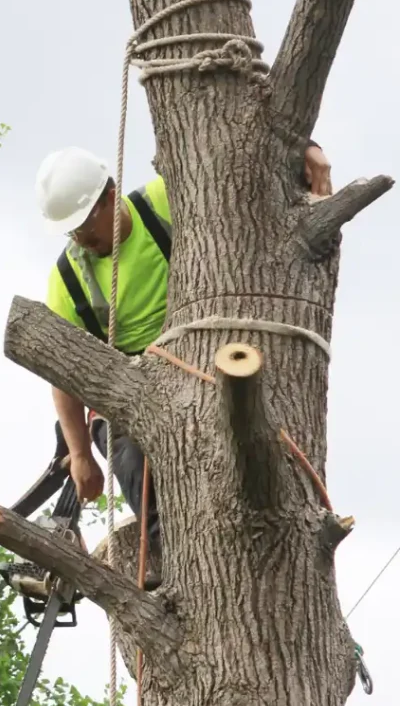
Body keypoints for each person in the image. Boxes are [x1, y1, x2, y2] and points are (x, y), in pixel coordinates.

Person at [35, 143, 332, 564]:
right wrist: (81, 455)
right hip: (127, 388)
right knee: (134, 459)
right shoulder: (67, 279)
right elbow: (63, 375)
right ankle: (172, 557)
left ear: (110, 197)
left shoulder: (163, 201)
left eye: (85, 225)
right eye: (72, 232)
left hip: (200, 362)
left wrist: (307, 149)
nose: (81, 239)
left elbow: (240, 162)